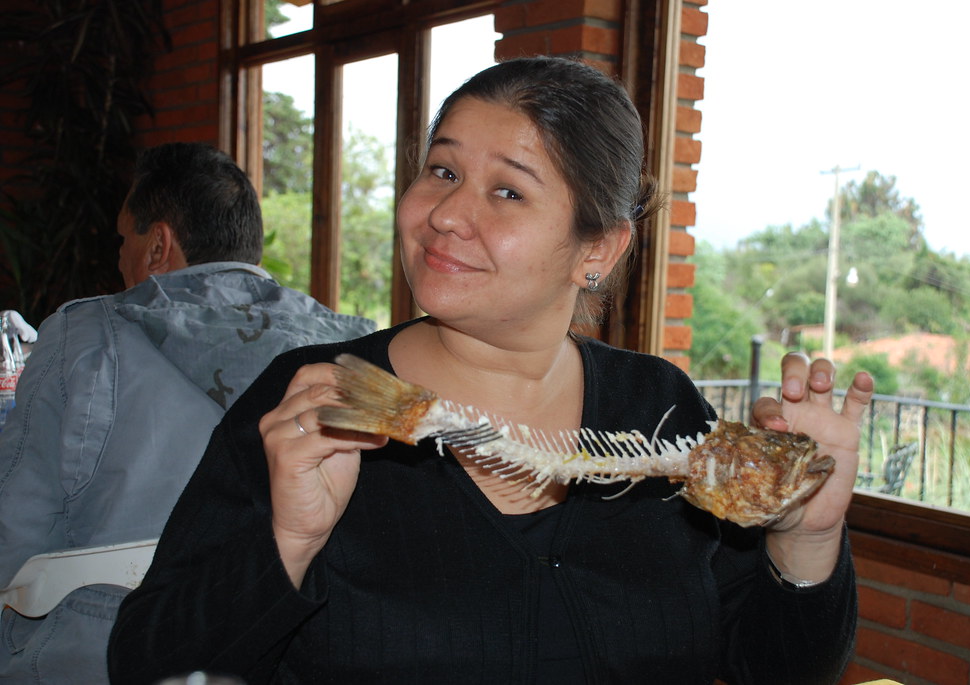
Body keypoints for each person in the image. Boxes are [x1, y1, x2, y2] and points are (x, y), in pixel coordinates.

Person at [108, 58, 874, 685]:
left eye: (506, 190)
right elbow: (149, 665)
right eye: (441, 170)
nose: (445, 213)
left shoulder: (660, 407)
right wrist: (289, 536)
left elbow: (773, 668)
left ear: (597, 250)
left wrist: (806, 541)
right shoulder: (313, 401)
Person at [0, 142, 375, 683]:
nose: (118, 256)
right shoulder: (350, 348)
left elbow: (16, 531)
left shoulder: (82, 336)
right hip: (294, 648)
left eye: (122, 239)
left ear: (158, 245)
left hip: (98, 652)